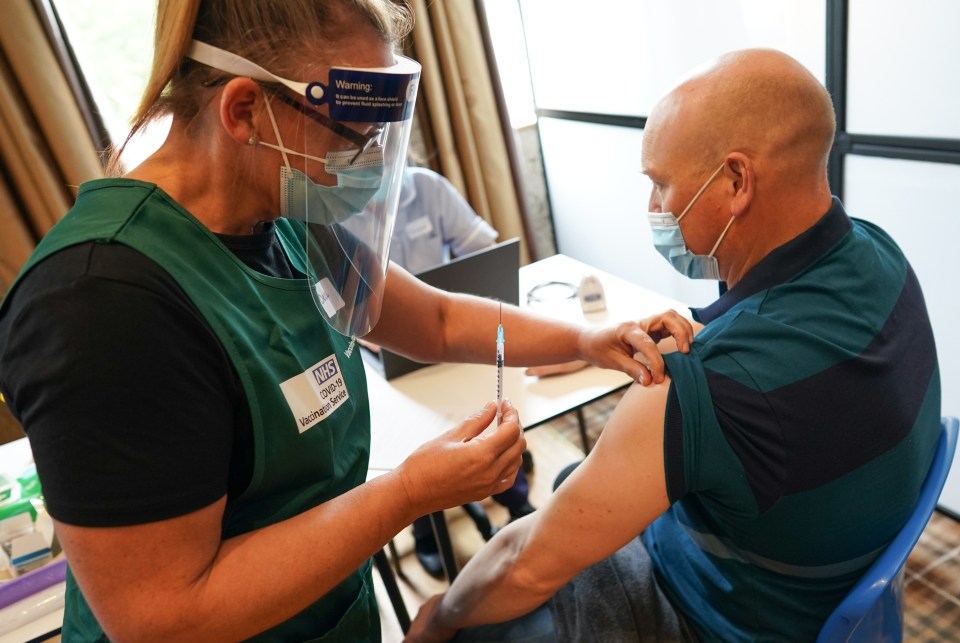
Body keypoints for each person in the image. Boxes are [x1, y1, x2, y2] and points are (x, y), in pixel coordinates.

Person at [0, 2, 673, 641]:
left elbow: (433, 318)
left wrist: (586, 339)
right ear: (245, 110)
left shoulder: (282, 210)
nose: (375, 158)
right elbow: (165, 619)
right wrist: (408, 492)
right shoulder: (99, 303)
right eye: (357, 133)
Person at [405, 48, 942, 642]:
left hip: (709, 615)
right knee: (571, 491)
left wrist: (439, 618)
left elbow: (522, 563)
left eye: (660, 184)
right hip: (828, 585)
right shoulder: (879, 251)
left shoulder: (710, 386)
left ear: (737, 181)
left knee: (486, 611)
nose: (653, 208)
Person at [386, 162, 536, 578]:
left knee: (493, 407)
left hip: (447, 337)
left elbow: (484, 254)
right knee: (412, 435)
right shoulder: (329, 210)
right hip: (383, 352)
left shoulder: (425, 188)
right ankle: (427, 531)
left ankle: (515, 498)